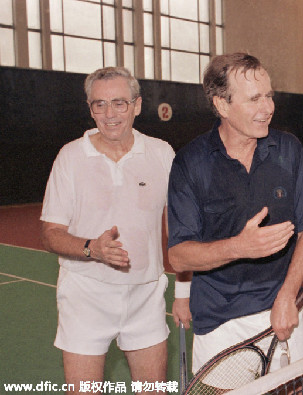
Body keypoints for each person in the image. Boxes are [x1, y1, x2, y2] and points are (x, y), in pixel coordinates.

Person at [167, 53, 303, 375]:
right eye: (255, 98)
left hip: (285, 310)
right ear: (222, 105)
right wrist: (240, 247)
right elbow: (179, 257)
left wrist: (287, 296)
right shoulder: (190, 163)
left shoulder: (288, 149)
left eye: (269, 95)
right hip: (220, 324)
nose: (268, 107)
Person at [40, 67, 176, 395]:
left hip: (146, 295)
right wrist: (93, 249)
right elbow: (50, 233)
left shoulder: (162, 154)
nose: (110, 114)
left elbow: (180, 232)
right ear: (90, 109)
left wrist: (185, 292)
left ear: (138, 105)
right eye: (99, 105)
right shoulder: (70, 157)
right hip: (85, 295)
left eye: (119, 103)